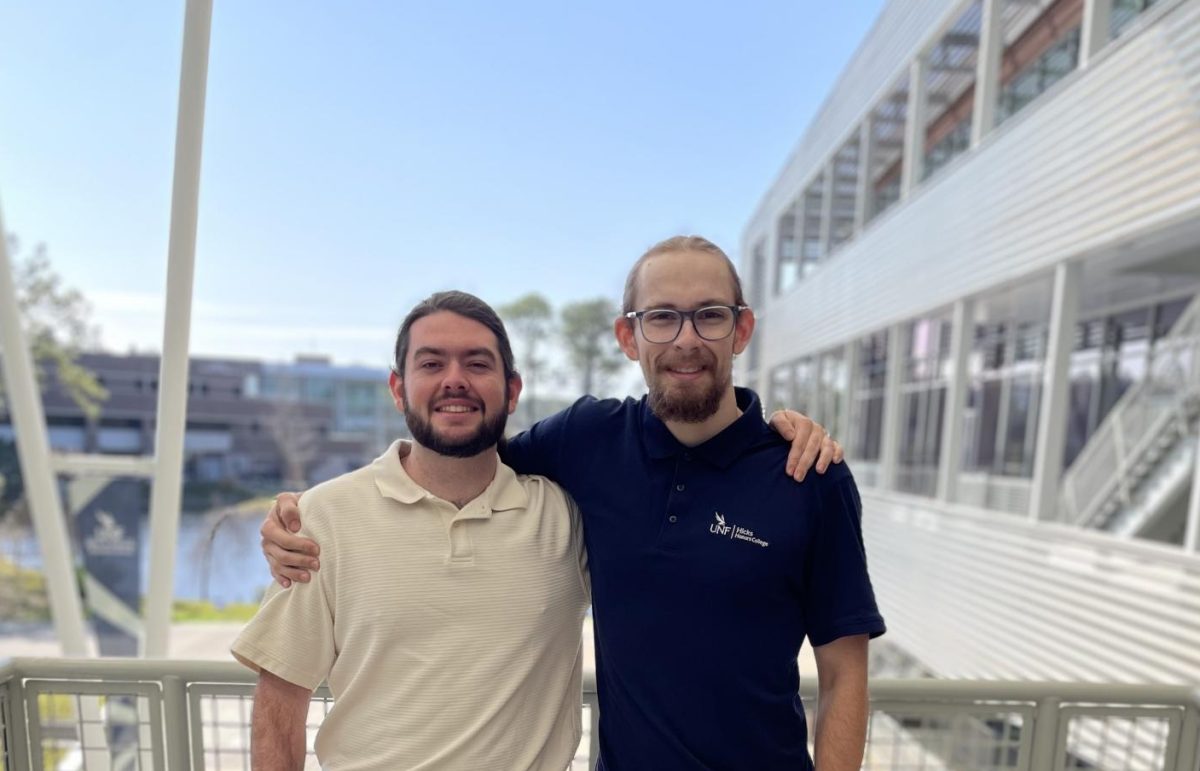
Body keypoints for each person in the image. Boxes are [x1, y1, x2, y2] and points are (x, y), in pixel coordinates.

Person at [263, 236, 882, 770]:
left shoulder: (811, 475)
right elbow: (463, 446)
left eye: (710, 315)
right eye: (661, 317)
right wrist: (306, 509)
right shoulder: (587, 440)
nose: (686, 339)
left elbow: (845, 674)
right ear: (628, 335)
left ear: (741, 329)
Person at [232, 291, 591, 770]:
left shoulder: (564, 517)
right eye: (431, 364)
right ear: (399, 389)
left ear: (512, 390)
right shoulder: (324, 518)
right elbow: (280, 700)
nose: (455, 380)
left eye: (478, 364)